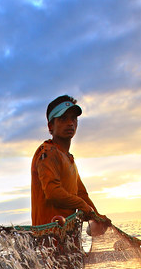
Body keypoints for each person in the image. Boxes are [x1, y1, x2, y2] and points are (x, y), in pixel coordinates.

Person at [30, 95, 113, 241]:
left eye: (73, 118)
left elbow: (81, 194)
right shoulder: (47, 153)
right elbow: (53, 192)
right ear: (51, 126)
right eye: (63, 119)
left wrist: (97, 216)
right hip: (50, 242)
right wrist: (83, 206)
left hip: (68, 240)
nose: (70, 123)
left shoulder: (69, 159)